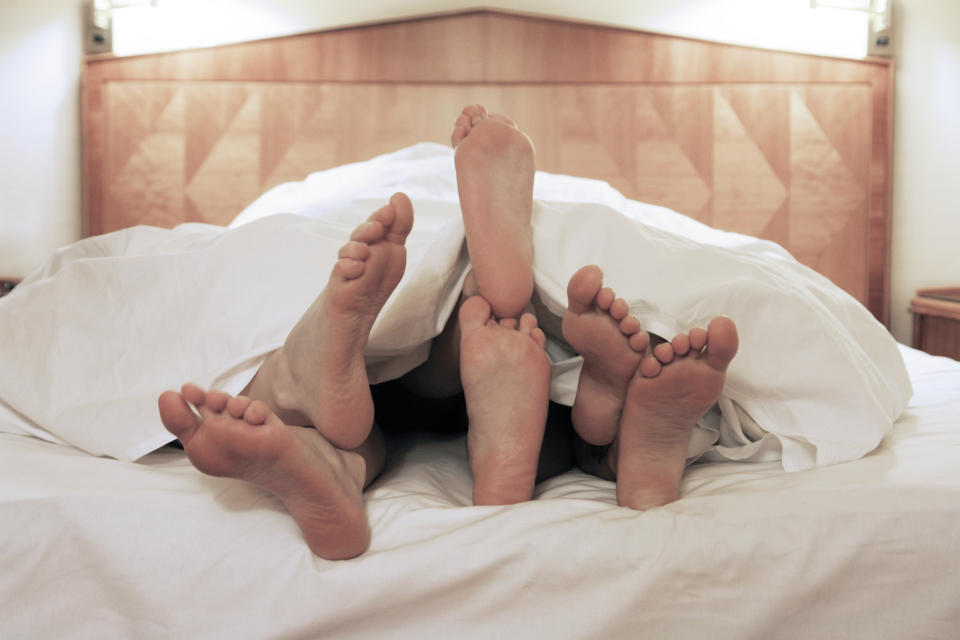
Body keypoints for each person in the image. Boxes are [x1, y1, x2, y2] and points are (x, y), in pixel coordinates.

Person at [158, 105, 739, 560]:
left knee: (379, 409)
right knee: (508, 359)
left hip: (394, 395)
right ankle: (610, 441)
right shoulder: (595, 205)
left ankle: (327, 443)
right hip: (511, 390)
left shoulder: (314, 200)